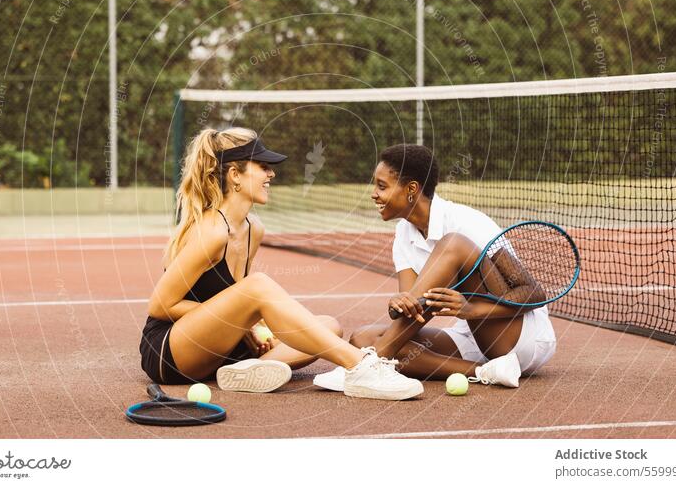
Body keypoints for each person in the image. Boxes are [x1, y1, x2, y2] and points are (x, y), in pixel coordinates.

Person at [139, 128, 424, 400]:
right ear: (235, 175)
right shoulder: (212, 232)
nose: (271, 173)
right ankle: (360, 367)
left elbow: (233, 300)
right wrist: (244, 324)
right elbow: (160, 306)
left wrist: (252, 325)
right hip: (171, 351)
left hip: (218, 350)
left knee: (328, 326)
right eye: (262, 166)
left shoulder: (253, 229)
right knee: (258, 286)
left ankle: (240, 373)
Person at [314, 144, 557, 391]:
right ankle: (488, 372)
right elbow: (410, 310)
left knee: (453, 244)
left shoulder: (465, 222)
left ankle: (370, 363)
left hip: (520, 339)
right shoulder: (403, 233)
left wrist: (471, 309)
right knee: (362, 338)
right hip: (473, 342)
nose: (374, 194)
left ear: (411, 190)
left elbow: (534, 292)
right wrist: (399, 302)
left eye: (382, 186)